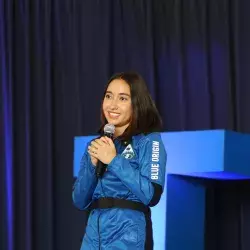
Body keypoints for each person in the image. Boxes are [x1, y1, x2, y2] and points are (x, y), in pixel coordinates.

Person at [72, 72, 167, 250]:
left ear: (137, 104)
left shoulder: (149, 141)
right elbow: (79, 200)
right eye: (109, 96)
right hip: (93, 237)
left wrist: (114, 160)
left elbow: (151, 195)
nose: (113, 105)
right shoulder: (96, 144)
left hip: (129, 236)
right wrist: (92, 166)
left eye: (123, 99)